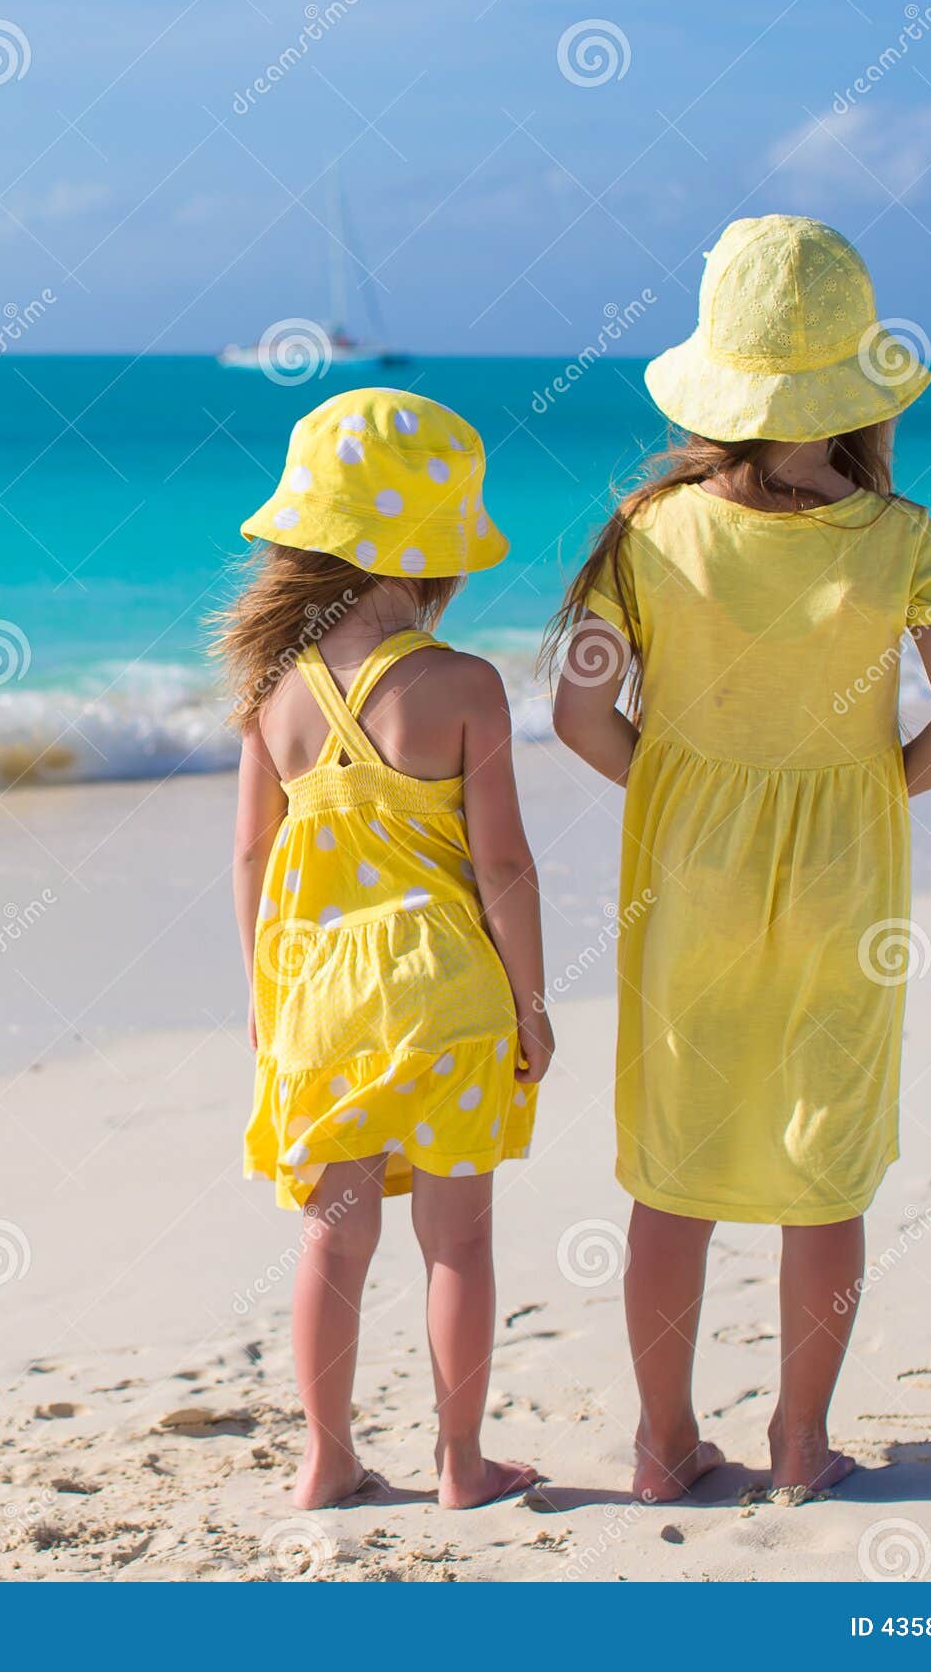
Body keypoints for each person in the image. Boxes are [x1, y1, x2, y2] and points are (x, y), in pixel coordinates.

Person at [545, 216, 931, 1502]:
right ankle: (799, 1444)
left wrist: (683, 791)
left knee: (673, 1169)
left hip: (684, 871)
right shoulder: (899, 534)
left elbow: (580, 711)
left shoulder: (647, 531)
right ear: (855, 382)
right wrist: (870, 788)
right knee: (822, 1161)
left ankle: (660, 1444)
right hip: (848, 878)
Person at [217, 387, 554, 1510]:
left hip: (321, 999)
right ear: (435, 546)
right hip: (447, 991)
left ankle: (327, 1458)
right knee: (456, 1237)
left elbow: (254, 862)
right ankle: (462, 1464)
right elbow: (503, 867)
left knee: (333, 1237)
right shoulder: (462, 685)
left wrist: (268, 1005)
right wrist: (533, 1002)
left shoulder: (273, 692)